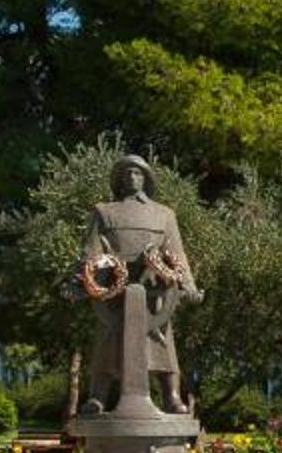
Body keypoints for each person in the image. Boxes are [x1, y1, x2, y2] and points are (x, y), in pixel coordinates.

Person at [78, 154, 201, 416]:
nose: (132, 178)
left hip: (154, 292)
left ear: (146, 179)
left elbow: (176, 254)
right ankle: (98, 397)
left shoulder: (164, 214)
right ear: (119, 180)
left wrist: (188, 285)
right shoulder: (104, 212)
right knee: (107, 342)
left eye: (137, 173)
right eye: (127, 174)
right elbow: (91, 253)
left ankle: (171, 396)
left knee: (162, 343)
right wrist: (78, 283)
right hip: (113, 291)